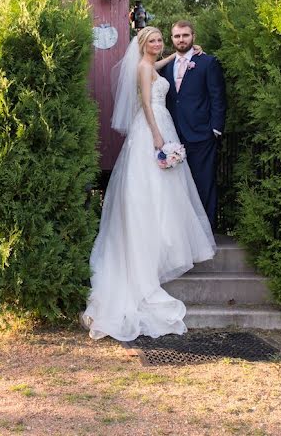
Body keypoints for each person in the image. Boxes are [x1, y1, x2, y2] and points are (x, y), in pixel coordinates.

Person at [81, 26, 216, 341]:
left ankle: (162, 244)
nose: (158, 44)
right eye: (153, 40)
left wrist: (182, 53)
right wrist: (157, 135)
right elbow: (145, 100)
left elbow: (158, 65)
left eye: (160, 40)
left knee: (166, 191)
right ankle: (149, 252)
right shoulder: (142, 69)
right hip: (152, 128)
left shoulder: (150, 64)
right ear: (143, 44)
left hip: (162, 126)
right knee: (149, 189)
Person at [160, 20, 226, 229]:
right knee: (177, 186)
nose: (181, 40)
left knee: (203, 182)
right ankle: (185, 233)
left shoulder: (208, 62)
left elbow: (218, 97)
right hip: (173, 135)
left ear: (193, 37)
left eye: (185, 35)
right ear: (172, 39)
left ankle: (207, 231)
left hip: (201, 134)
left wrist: (215, 129)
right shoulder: (166, 66)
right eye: (177, 36)